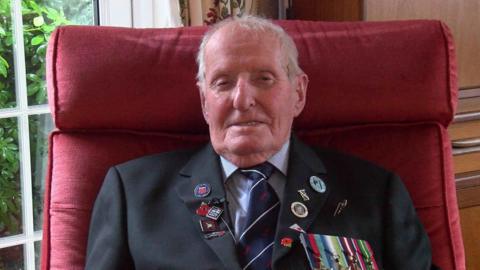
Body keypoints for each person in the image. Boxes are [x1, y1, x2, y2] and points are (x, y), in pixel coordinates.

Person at [85, 15, 436, 270]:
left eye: (264, 79)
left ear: (298, 93)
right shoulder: (131, 193)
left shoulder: (375, 191)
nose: (242, 99)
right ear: (205, 102)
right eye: (222, 82)